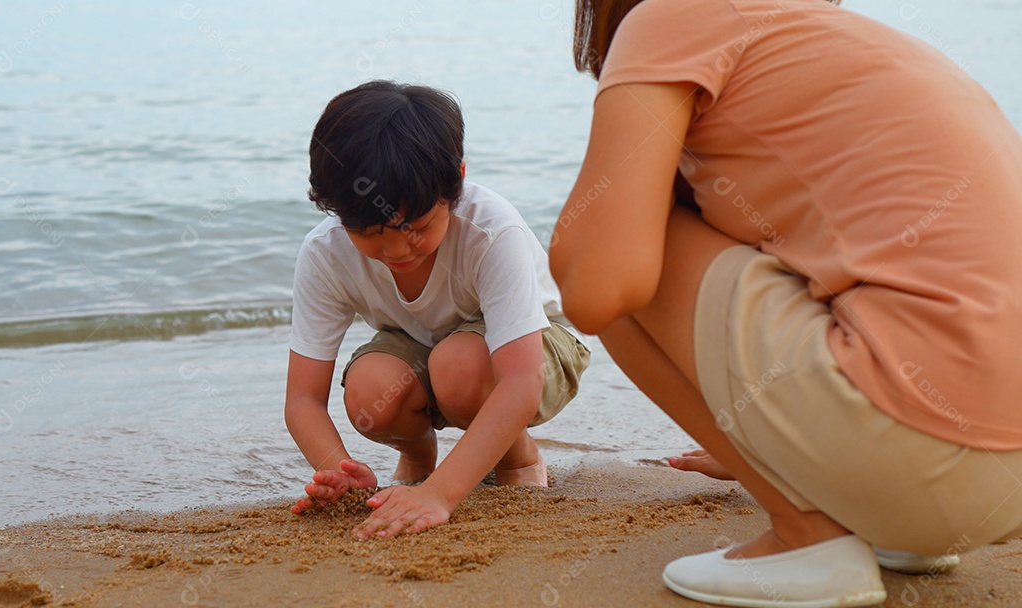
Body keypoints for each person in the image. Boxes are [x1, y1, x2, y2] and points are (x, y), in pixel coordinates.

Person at [549, 0, 1022, 606]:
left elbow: (597, 288)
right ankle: (884, 522)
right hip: (991, 475)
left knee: (620, 245)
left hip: (920, 449)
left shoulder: (673, 13)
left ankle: (808, 536)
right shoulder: (842, 36)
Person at [284, 80, 590, 540]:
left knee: (460, 367)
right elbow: (302, 400)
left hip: (538, 346)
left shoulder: (490, 231)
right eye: (369, 232)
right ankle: (417, 456)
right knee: (370, 391)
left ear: (457, 183)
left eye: (416, 226)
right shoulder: (324, 252)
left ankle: (520, 456)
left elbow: (520, 382)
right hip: (425, 343)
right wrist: (338, 470)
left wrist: (442, 494)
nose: (395, 249)